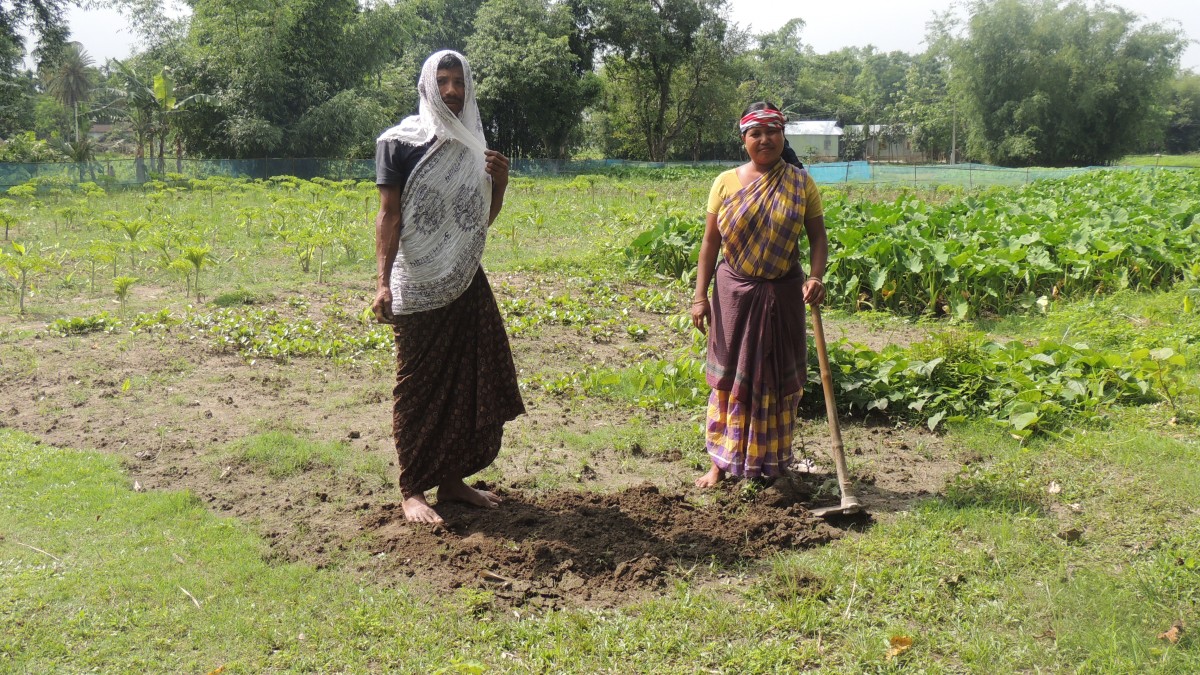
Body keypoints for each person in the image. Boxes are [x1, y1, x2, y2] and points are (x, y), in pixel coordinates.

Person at [372, 50, 525, 523]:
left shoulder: (473, 144)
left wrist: (499, 185)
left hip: (464, 279)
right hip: (416, 284)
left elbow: (478, 223)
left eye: (459, 81)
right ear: (426, 86)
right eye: (443, 81)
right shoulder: (398, 143)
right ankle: (413, 487)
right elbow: (389, 216)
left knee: (467, 379)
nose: (453, 90)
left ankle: (453, 482)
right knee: (416, 388)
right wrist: (381, 283)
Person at [690, 102, 829, 488]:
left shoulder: (801, 183)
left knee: (776, 378)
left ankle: (772, 464)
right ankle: (720, 463)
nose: (764, 139)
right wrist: (700, 297)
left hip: (783, 294)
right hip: (734, 294)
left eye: (772, 131)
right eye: (756, 133)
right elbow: (709, 244)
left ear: (783, 136)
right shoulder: (725, 182)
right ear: (744, 140)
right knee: (731, 376)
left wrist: (816, 277)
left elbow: (818, 238)